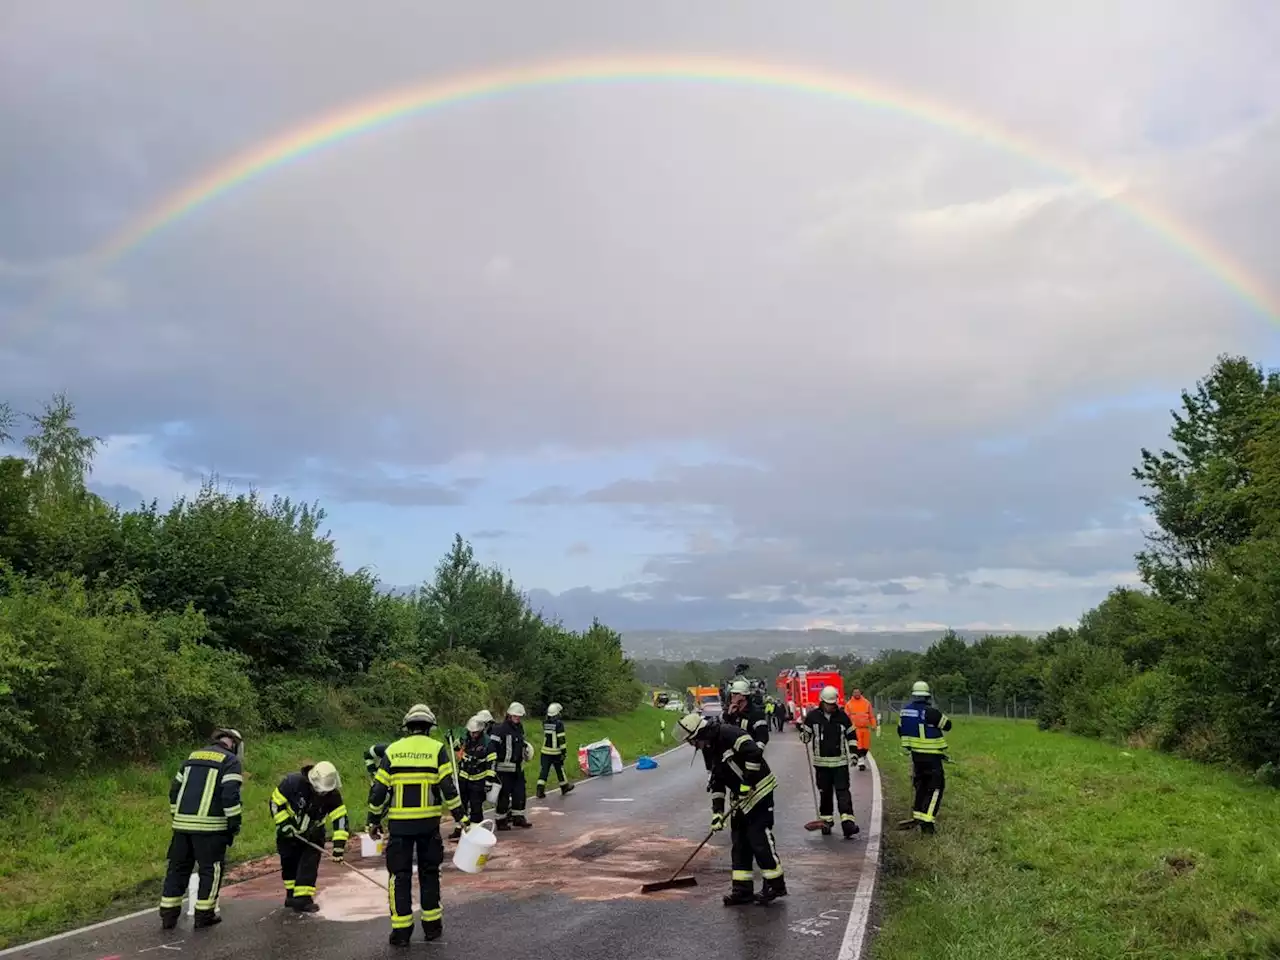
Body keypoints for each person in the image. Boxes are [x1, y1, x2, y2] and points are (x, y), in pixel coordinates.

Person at [367, 703, 467, 946]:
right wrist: (461, 818)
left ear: (408, 726)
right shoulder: (437, 749)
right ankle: (432, 927)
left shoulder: (393, 750)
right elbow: (448, 789)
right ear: (429, 727)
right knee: (429, 873)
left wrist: (373, 820)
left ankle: (401, 932)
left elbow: (379, 789)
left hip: (400, 827)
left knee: (399, 876)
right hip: (428, 825)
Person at [674, 711, 785, 906]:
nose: (693, 746)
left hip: (759, 790)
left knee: (758, 838)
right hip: (740, 797)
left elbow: (754, 753)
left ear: (701, 733)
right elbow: (716, 782)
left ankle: (775, 885)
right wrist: (717, 813)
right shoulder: (708, 749)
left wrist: (746, 783)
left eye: (693, 741)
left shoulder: (729, 733)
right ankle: (742, 890)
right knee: (740, 841)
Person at [158, 728, 244, 930]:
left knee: (177, 868)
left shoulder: (192, 756)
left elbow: (174, 790)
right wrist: (234, 824)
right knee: (210, 870)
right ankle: (204, 915)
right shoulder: (230, 762)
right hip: (211, 828)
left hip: (181, 826)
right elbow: (230, 795)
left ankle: (168, 915)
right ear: (234, 743)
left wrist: (177, 816)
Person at [269, 761, 350, 912]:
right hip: (288, 832)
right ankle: (291, 896)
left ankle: (303, 900)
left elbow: (340, 819)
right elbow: (275, 803)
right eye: (320, 790)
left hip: (313, 835)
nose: (322, 793)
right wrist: (283, 824)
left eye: (325, 791)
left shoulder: (332, 794)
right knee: (289, 864)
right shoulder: (292, 783)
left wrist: (338, 847)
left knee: (309, 865)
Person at [800, 686, 860, 839]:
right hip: (821, 765)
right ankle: (826, 822)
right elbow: (805, 735)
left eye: (833, 704)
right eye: (828, 704)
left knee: (843, 793)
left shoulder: (843, 717)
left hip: (840, 763)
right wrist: (804, 735)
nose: (831, 707)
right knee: (825, 794)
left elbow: (852, 736)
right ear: (822, 701)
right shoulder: (813, 716)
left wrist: (854, 754)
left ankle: (848, 824)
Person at [897, 680, 952, 835]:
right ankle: (927, 823)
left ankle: (918, 816)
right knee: (935, 788)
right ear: (927, 696)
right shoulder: (931, 712)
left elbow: (900, 730)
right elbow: (947, 725)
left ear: (913, 695)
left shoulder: (905, 712)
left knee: (920, 787)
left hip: (916, 757)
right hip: (932, 758)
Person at [451, 715, 496, 839]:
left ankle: (475, 831)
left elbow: (491, 763)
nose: (473, 735)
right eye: (471, 732)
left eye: (475, 733)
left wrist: (489, 781)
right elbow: (457, 750)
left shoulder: (487, 743)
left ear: (481, 730)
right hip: (464, 778)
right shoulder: (465, 739)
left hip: (478, 780)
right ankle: (459, 828)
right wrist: (453, 741)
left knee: (476, 806)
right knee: (461, 804)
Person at [491, 702, 534, 830]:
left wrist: (525, 750)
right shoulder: (500, 729)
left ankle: (518, 818)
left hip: (517, 768)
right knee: (504, 796)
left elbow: (520, 744)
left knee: (520, 793)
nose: (517, 718)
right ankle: (501, 820)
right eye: (515, 716)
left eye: (519, 716)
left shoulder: (519, 728)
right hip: (503, 769)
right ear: (509, 715)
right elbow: (492, 748)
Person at [536, 702, 575, 799]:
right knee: (559, 769)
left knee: (544, 770)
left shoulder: (545, 723)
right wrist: (564, 752)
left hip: (545, 751)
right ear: (557, 713)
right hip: (555, 752)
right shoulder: (559, 724)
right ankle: (564, 786)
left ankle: (539, 789)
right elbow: (561, 739)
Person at [724, 679, 770, 749]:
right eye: (732, 693)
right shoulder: (731, 712)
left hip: (749, 753)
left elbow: (763, 737)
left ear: (744, 696)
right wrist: (729, 715)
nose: (732, 696)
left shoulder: (756, 713)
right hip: (734, 754)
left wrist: (756, 752)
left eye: (736, 694)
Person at [845, 688, 878, 771]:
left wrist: (874, 725)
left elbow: (871, 716)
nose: (856, 693)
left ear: (860, 693)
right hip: (855, 729)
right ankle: (861, 762)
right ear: (852, 694)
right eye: (855, 692)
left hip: (865, 729)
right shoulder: (849, 704)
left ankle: (862, 758)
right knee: (858, 746)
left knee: (865, 747)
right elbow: (846, 717)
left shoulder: (866, 703)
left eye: (858, 692)